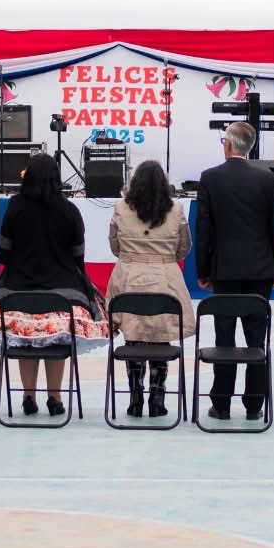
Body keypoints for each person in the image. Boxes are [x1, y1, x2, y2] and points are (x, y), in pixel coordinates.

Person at [0, 154, 108, 416]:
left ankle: (28, 396)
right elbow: (79, 254)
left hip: (18, 292)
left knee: (24, 340)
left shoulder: (16, 208)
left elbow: (4, 253)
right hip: (65, 296)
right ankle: (54, 397)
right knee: (55, 342)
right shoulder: (69, 210)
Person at [196, 122, 274, 421]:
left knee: (224, 338)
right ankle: (255, 404)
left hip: (225, 269)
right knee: (256, 339)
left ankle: (221, 403)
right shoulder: (267, 180)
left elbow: (204, 228)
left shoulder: (210, 178)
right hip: (260, 269)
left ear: (228, 145)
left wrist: (203, 270)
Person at [107, 159, 195, 418]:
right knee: (161, 335)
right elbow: (184, 247)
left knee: (132, 335)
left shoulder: (120, 208)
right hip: (165, 275)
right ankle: (158, 394)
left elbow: (114, 246)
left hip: (129, 274)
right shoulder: (176, 209)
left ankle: (135, 396)